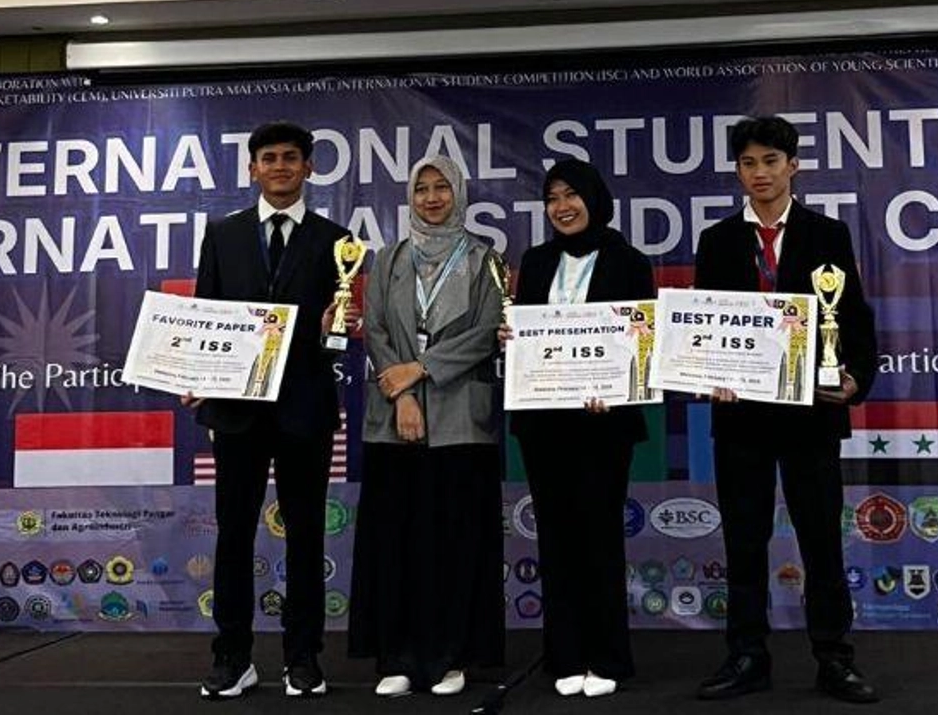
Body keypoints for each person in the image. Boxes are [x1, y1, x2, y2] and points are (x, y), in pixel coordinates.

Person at [693, 117, 880, 704]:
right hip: (741, 419)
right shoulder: (717, 240)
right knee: (744, 543)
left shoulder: (828, 234)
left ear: (793, 166)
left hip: (811, 415)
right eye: (749, 163)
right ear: (738, 171)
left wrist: (855, 378)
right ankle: (747, 657)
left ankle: (835, 659)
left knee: (821, 541)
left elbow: (853, 318)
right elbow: (705, 326)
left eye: (771, 161)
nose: (760, 173)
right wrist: (709, 376)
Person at [189, 121, 357, 699]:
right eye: (269, 158)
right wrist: (195, 376)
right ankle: (232, 657)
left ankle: (302, 657)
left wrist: (335, 330)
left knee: (306, 535)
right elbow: (205, 316)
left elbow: (338, 340)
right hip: (235, 410)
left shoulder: (338, 241)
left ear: (309, 167)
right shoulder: (223, 234)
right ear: (252, 169)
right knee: (233, 534)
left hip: (305, 409)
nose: (280, 166)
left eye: (290, 157)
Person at [348, 155, 504, 697]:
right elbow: (376, 330)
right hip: (394, 419)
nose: (432, 198)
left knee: (454, 544)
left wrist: (423, 369)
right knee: (397, 542)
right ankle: (399, 657)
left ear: (459, 194)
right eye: (422, 189)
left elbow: (487, 332)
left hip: (461, 421)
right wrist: (405, 394)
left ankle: (451, 658)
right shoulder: (388, 258)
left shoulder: (485, 259)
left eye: (442, 188)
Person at [502, 159, 655, 698]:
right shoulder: (536, 261)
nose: (562, 207)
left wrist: (615, 387)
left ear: (594, 199)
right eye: (552, 198)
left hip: (603, 426)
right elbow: (529, 335)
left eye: (572, 195)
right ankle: (564, 654)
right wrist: (511, 339)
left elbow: (641, 342)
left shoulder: (629, 262)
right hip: (544, 425)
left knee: (600, 540)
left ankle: (608, 658)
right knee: (557, 541)